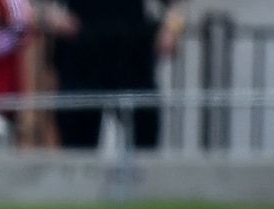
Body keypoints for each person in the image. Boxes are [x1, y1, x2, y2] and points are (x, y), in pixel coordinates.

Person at [41, 0, 186, 151]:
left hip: (133, 55)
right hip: (80, 53)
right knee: (77, 148)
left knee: (144, 144)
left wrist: (171, 29)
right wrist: (51, 15)